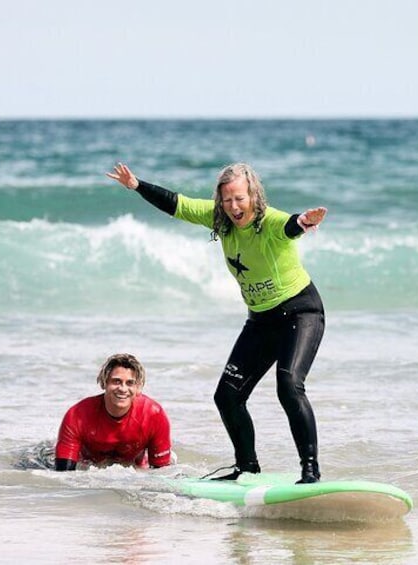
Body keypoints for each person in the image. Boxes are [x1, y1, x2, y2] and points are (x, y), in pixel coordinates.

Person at [106, 162, 327, 484]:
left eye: (239, 198)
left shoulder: (270, 221)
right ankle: (247, 467)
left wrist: (305, 221)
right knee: (227, 396)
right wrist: (137, 185)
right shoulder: (220, 220)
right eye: (227, 200)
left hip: (300, 313)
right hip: (261, 320)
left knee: (289, 386)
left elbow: (290, 225)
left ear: (253, 196)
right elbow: (177, 204)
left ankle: (311, 470)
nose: (234, 207)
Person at [55, 353, 173, 471]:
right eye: (116, 381)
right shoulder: (77, 416)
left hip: (136, 469)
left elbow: (162, 473)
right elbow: (63, 474)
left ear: (138, 388)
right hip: (88, 466)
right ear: (104, 382)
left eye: (130, 383)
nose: (122, 389)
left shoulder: (154, 415)